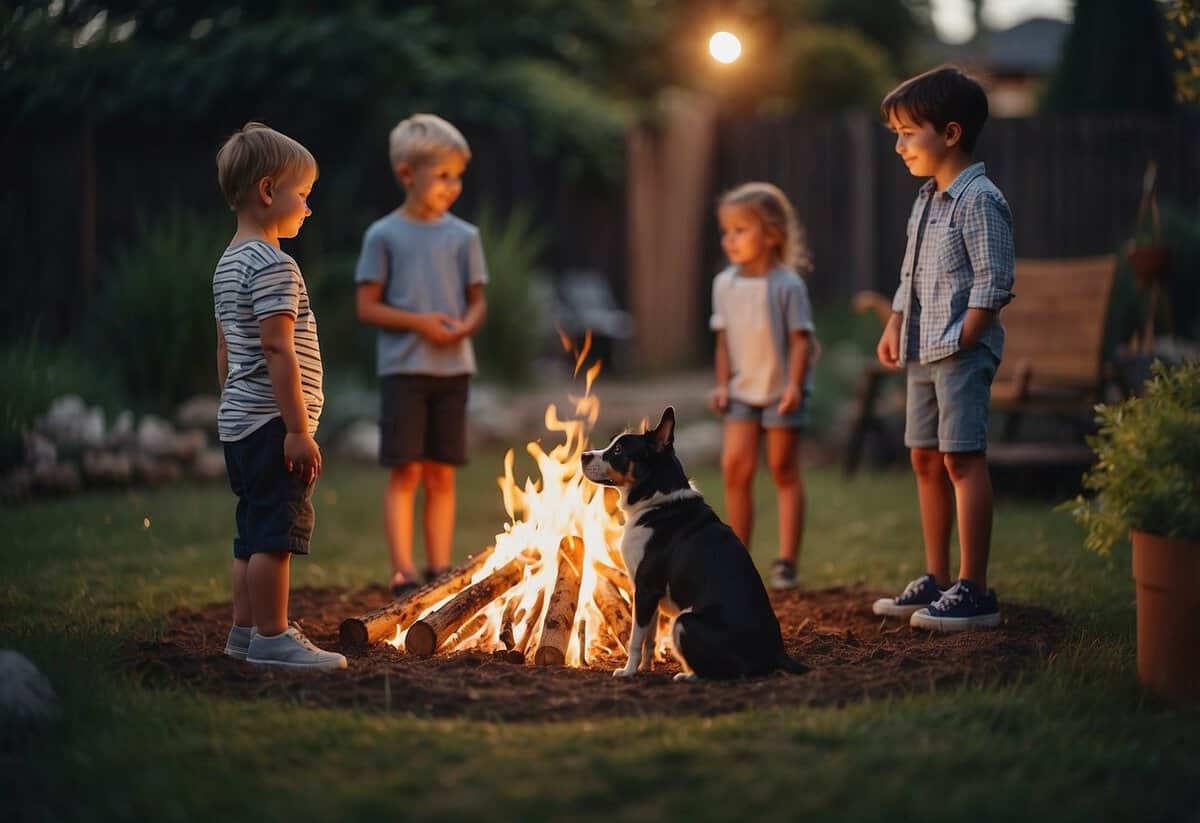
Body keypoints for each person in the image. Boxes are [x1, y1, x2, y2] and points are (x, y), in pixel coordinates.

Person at [871, 66, 1015, 631]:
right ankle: (936, 579)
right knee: (925, 459)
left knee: (961, 458)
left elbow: (993, 279)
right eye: (896, 134)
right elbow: (909, 275)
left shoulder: (979, 200)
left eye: (909, 133)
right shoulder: (926, 200)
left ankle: (973, 589)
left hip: (959, 352)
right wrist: (893, 323)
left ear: (950, 134)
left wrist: (968, 334)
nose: (899, 145)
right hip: (922, 352)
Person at [213, 122, 346, 671]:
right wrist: (296, 429)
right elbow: (277, 350)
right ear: (269, 192)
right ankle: (272, 636)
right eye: (304, 196)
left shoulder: (228, 262)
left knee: (251, 533)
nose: (308, 209)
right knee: (275, 535)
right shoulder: (274, 265)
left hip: (241, 424)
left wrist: (231, 403)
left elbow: (225, 347)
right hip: (272, 426)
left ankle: (244, 633)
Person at [354, 114, 488, 598]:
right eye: (443, 175)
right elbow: (366, 306)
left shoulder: (464, 236)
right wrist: (422, 324)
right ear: (407, 174)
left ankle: (439, 567)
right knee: (406, 470)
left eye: (458, 176)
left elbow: (477, 301)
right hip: (404, 371)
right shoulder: (383, 235)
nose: (453, 186)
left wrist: (464, 328)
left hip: (453, 371)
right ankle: (404, 572)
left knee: (441, 471)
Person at [709, 182, 816, 591]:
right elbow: (722, 341)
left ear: (770, 235)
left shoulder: (788, 285)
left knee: (783, 469)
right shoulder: (724, 284)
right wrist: (721, 385)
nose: (729, 239)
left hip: (781, 393)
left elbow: (800, 340)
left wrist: (793, 385)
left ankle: (786, 561)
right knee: (735, 468)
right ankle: (739, 557)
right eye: (726, 230)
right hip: (741, 392)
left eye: (740, 230)